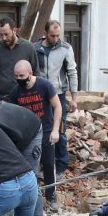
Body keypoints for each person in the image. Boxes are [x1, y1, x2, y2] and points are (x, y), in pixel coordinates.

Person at [9, 60, 62, 212]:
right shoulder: (15, 92)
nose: (19, 79)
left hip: (45, 131)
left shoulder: (44, 85)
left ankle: (51, 196)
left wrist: (55, 130)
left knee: (49, 165)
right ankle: (31, 198)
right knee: (28, 168)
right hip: (26, 135)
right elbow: (13, 116)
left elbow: (57, 106)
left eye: (22, 75)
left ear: (30, 73)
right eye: (16, 76)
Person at [35, 20, 79, 176]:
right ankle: (44, 164)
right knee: (41, 130)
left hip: (58, 94)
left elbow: (72, 72)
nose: (56, 39)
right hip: (40, 95)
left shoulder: (65, 48)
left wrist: (74, 98)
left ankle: (61, 165)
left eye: (58, 35)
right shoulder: (36, 48)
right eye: (52, 36)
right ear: (46, 33)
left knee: (59, 129)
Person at [0, 18, 39, 103]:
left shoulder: (28, 47)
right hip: (4, 99)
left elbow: (36, 72)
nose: (4, 38)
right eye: (1, 35)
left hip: (25, 97)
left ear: (14, 30)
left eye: (6, 34)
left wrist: (36, 95)